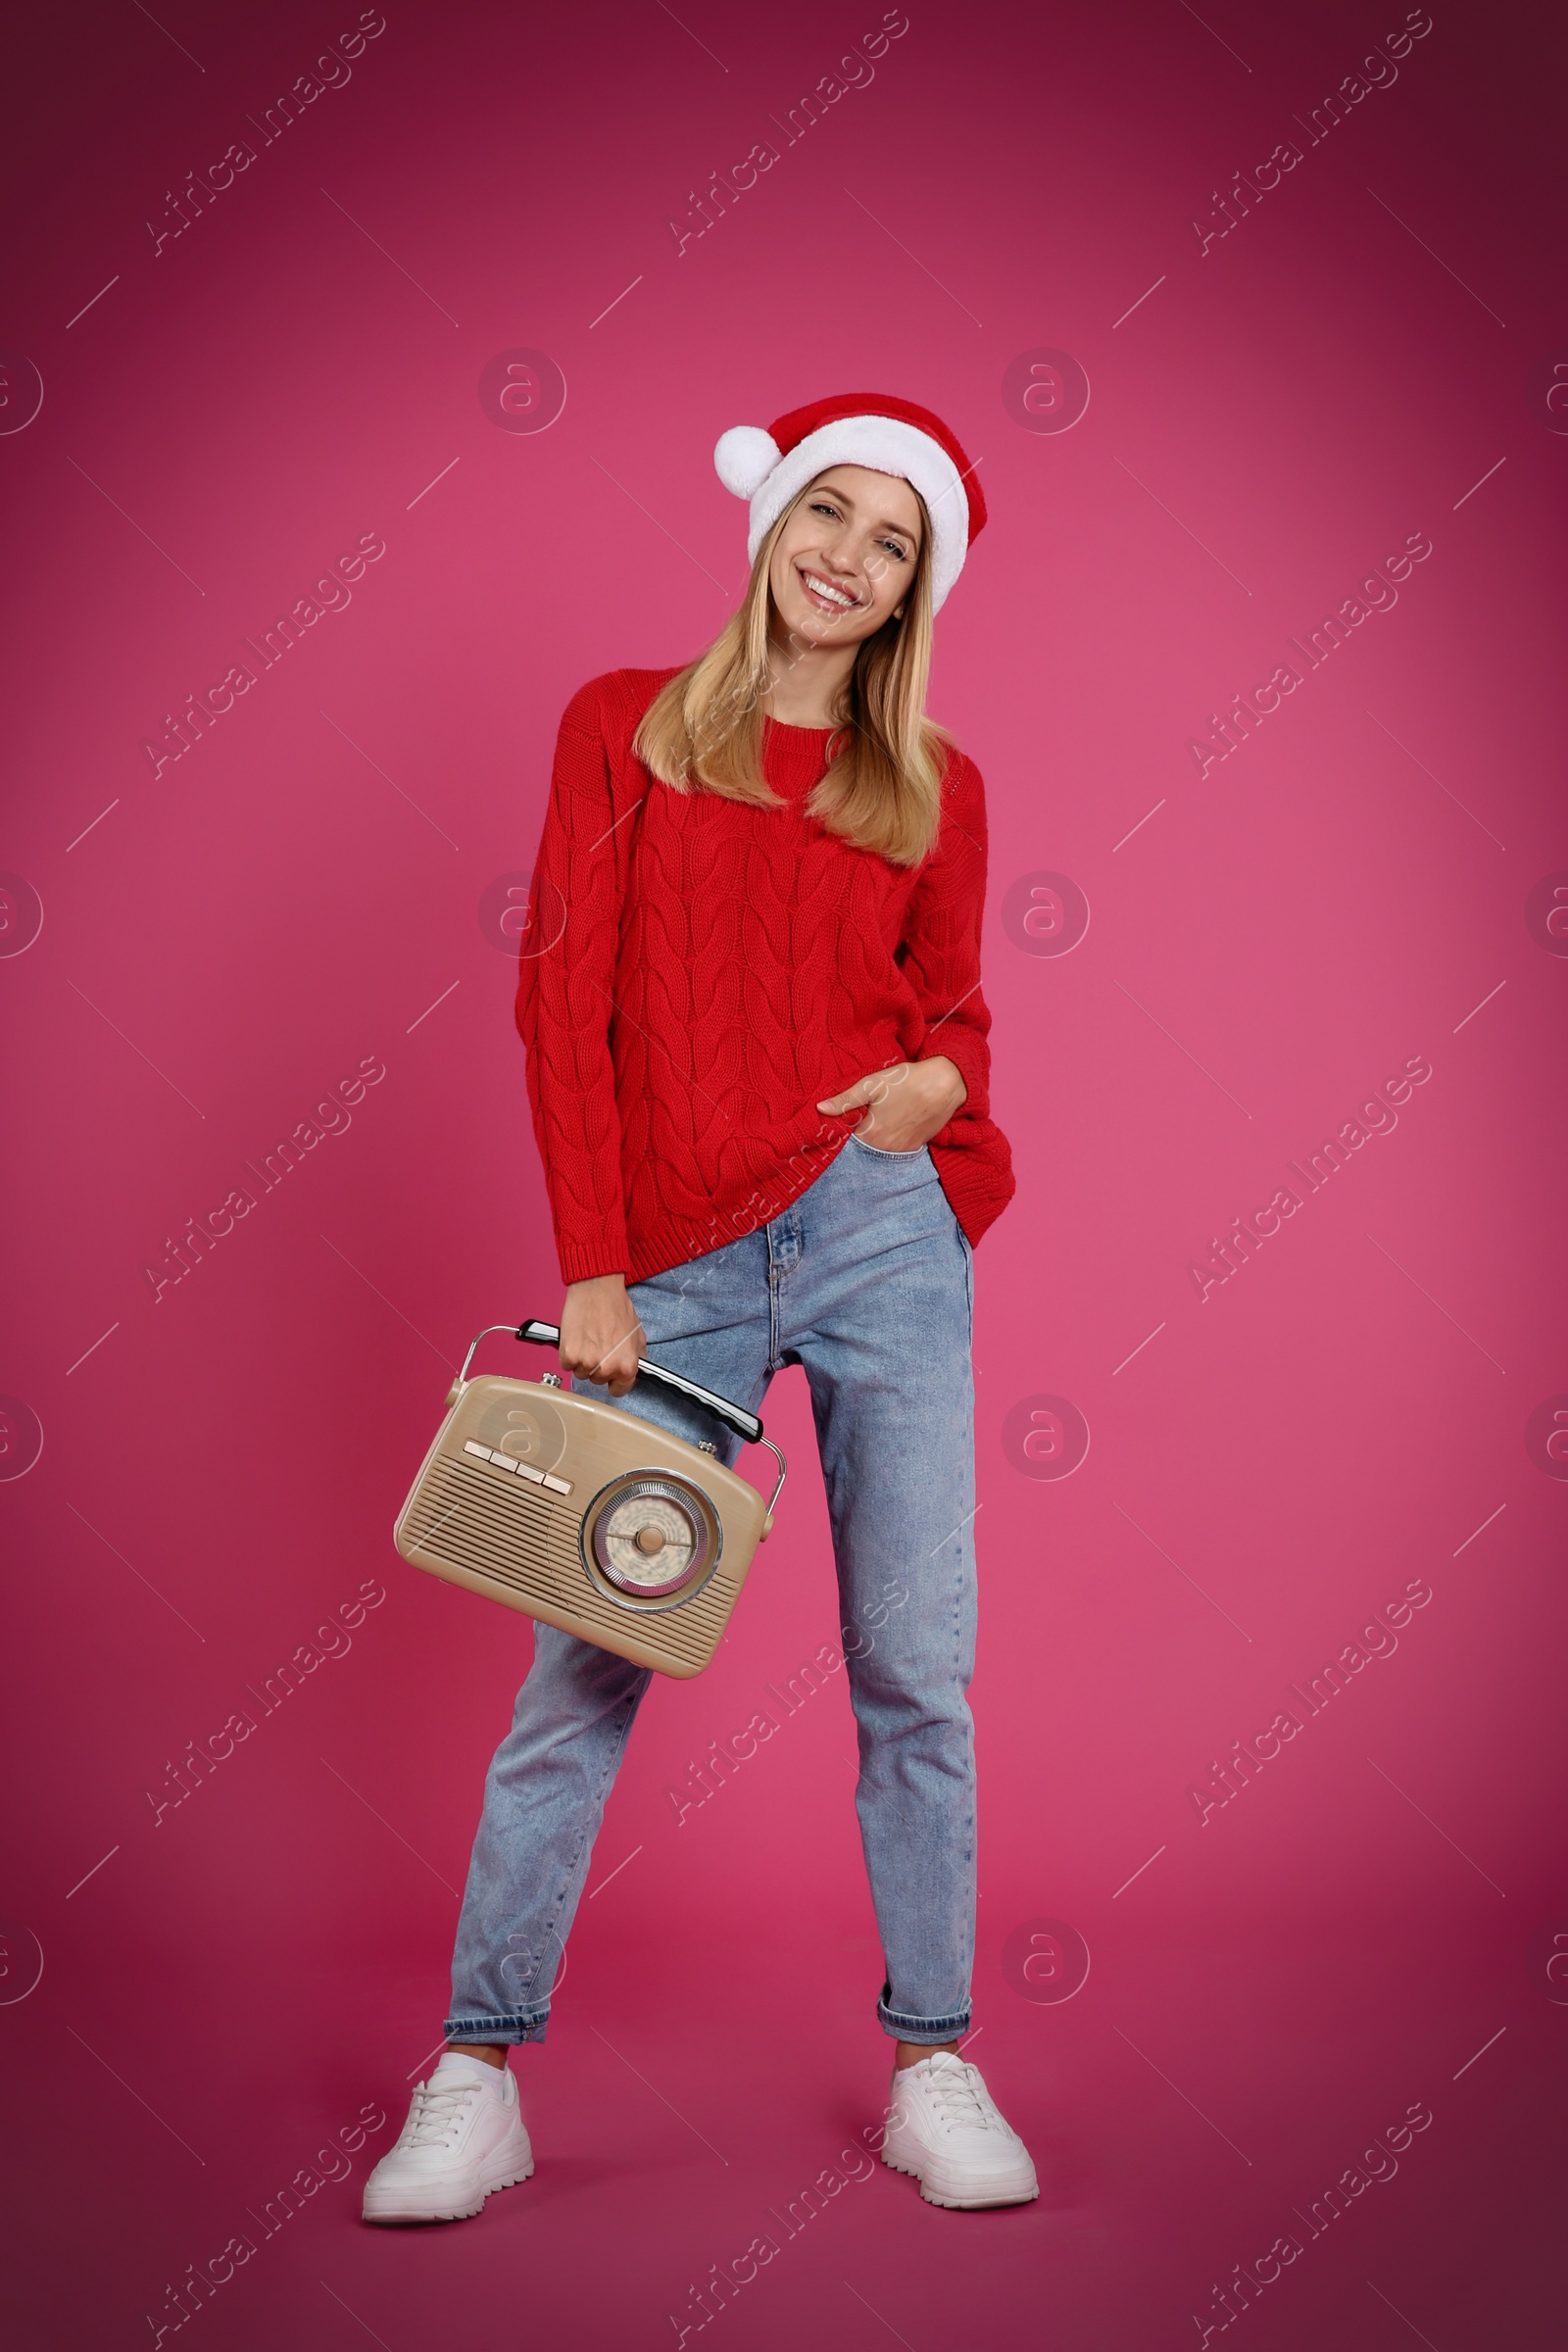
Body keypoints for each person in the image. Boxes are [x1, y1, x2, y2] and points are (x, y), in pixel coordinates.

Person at [364, 393, 1036, 2223]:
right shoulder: (625, 727)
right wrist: (595, 1264)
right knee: (587, 1655)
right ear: (770, 523)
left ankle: (934, 2058)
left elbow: (957, 1027)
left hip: (881, 1233)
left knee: (914, 1658)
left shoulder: (936, 786)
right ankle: (479, 2073)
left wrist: (931, 1112)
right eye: (831, 513)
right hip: (666, 1268)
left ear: (914, 593)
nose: (851, 556)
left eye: (893, 544)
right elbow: (557, 1005)